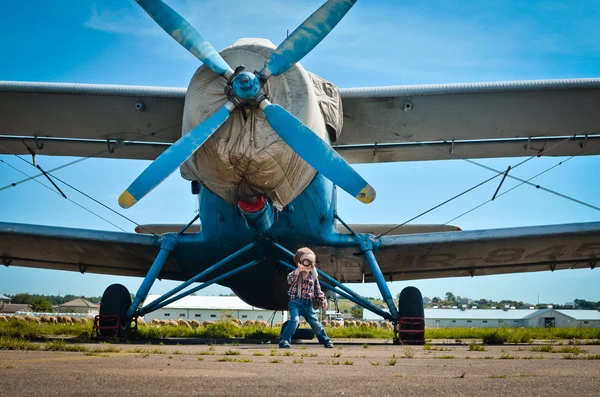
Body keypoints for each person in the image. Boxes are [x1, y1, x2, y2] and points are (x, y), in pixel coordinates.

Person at [279, 247, 334, 349]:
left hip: (308, 304)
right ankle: (284, 340)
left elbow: (318, 291)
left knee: (315, 323)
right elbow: (289, 280)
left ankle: (325, 340)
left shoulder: (313, 277)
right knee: (295, 320)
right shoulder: (296, 274)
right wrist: (297, 271)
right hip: (295, 302)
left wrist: (323, 300)